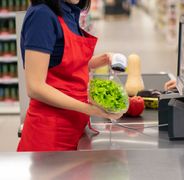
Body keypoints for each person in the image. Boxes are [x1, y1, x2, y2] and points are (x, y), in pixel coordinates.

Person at [17, 0, 123, 152]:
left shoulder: (68, 12)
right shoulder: (42, 16)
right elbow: (35, 87)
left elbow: (64, 66)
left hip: (74, 129)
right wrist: (91, 109)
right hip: (49, 135)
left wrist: (104, 59)